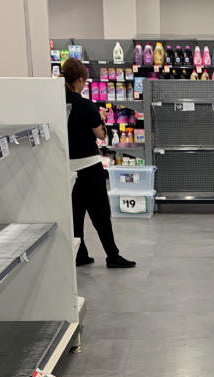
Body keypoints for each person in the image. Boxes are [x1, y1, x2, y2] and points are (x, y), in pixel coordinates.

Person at [62, 59, 136, 268]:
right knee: (101, 215)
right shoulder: (85, 105)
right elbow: (101, 135)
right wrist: (101, 118)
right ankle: (112, 255)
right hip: (89, 167)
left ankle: (80, 254)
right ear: (79, 80)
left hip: (67, 169)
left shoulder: (55, 104)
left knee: (75, 215)